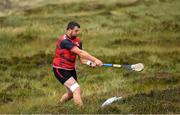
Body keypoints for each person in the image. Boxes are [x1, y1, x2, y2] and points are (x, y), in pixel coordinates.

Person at [52, 21, 103, 106]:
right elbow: (80, 52)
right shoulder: (64, 41)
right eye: (76, 31)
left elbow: (82, 59)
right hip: (60, 69)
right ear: (69, 30)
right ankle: (81, 111)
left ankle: (58, 106)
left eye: (78, 31)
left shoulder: (78, 41)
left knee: (71, 93)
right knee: (76, 89)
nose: (77, 33)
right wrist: (95, 59)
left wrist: (90, 63)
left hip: (71, 70)